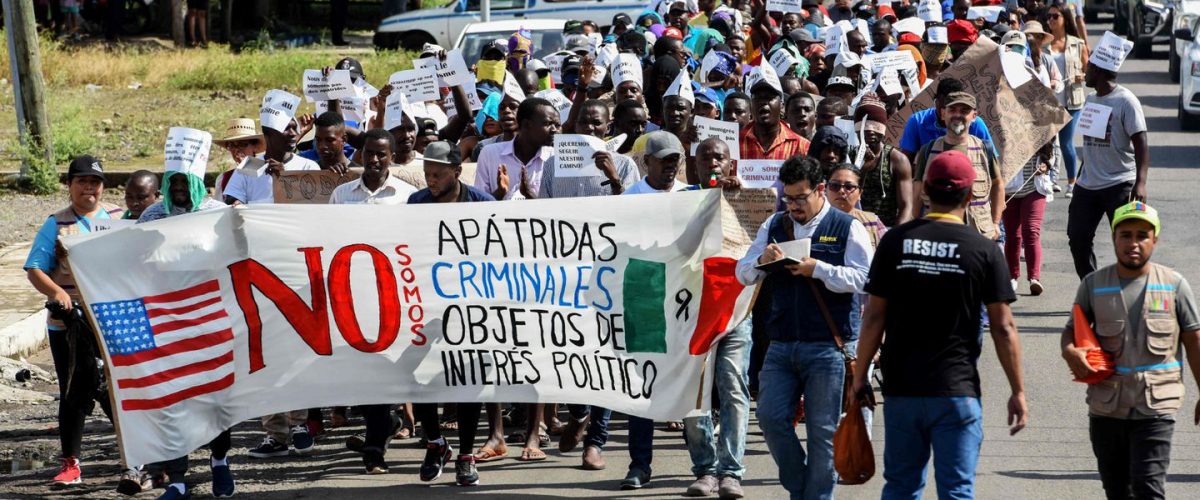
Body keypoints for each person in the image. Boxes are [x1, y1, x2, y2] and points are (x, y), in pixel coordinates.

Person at [852, 150, 1028, 499]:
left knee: (901, 487)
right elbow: (1003, 327)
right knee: (957, 490)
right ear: (971, 195)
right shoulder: (985, 250)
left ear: (926, 191)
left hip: (902, 390)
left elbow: (874, 315)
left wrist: (859, 378)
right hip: (956, 390)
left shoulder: (895, 241)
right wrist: (1018, 390)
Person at [736, 156, 873, 500]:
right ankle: (800, 487)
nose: (793, 206)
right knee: (769, 418)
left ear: (820, 191)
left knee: (823, 432)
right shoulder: (774, 224)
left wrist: (820, 270)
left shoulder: (847, 226)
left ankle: (813, 496)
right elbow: (742, 273)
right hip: (781, 344)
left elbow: (866, 278)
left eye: (800, 198)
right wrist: (761, 262)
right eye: (788, 198)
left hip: (828, 345)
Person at [1061, 201, 1200, 500]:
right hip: (1106, 408)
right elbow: (1071, 333)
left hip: (1156, 409)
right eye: (1125, 235)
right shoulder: (1093, 285)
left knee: (1148, 488)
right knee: (1117, 491)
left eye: (1141, 235)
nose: (1133, 243)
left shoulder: (1175, 286)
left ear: (1154, 240)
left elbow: (1193, 341)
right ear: (1114, 239)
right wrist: (1071, 352)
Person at [137, 144, 232, 500]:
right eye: (173, 180)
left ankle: (220, 461)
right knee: (173, 401)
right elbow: (136, 263)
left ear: (199, 182)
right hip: (167, 321)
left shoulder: (218, 214)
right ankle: (177, 478)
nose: (179, 186)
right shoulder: (151, 216)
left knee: (214, 401)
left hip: (211, 319)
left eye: (186, 180)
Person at [24, 156, 125, 488]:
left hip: (110, 319)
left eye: (94, 181)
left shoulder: (117, 218)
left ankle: (134, 455)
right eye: (81, 181)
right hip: (68, 324)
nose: (88, 187)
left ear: (103, 187)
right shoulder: (55, 223)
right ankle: (71, 463)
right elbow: (35, 268)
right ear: (69, 185)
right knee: (73, 390)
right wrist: (57, 292)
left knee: (118, 387)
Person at [405, 141, 495, 485]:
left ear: (457, 172)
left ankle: (467, 455)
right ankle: (436, 443)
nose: (431, 180)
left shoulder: (483, 204)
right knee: (421, 379)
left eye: (438, 175)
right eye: (427, 174)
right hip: (428, 307)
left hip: (473, 310)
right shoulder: (416, 203)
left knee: (468, 382)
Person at [682, 138, 753, 499]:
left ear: (731, 164)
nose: (713, 162)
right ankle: (705, 469)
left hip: (736, 311)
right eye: (705, 156)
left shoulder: (748, 200)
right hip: (693, 313)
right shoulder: (682, 200)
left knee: (733, 388)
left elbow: (760, 249)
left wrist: (741, 201)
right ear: (695, 165)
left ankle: (731, 472)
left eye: (720, 156)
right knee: (694, 393)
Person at [618, 131, 689, 491]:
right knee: (641, 388)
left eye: (676, 159)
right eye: (664, 160)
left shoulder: (693, 197)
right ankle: (639, 464)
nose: (671, 166)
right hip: (643, 299)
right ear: (647, 163)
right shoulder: (630, 199)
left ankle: (701, 460)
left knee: (689, 380)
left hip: (685, 301)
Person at [1068, 52, 1149, 279]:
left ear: (1099, 71)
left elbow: (1142, 145)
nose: (1085, 71)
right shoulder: (1091, 99)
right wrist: (1080, 179)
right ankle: (1093, 288)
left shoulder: (1126, 101)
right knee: (1078, 239)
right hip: (1087, 185)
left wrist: (1140, 184)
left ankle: (1131, 287)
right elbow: (1091, 145)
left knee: (1128, 243)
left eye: (1089, 67)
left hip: (1119, 183)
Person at [912, 92, 1004, 239]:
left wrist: (995, 222)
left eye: (964, 111)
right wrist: (914, 223)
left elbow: (998, 184)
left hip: (977, 235)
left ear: (974, 116)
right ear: (943, 114)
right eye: (952, 110)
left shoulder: (985, 149)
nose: (957, 115)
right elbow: (917, 190)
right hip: (936, 235)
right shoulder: (928, 150)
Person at [1044, 1, 1090, 198]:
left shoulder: (1076, 43)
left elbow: (1088, 68)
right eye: (1049, 16)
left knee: (1066, 143)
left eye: (1056, 16)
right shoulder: (1043, 44)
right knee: (1047, 142)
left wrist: (1082, 76)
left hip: (1072, 100)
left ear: (1065, 19)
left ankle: (1072, 181)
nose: (1051, 20)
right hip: (1049, 102)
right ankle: (1049, 180)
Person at [474, 98, 559, 200]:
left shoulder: (555, 158)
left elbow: (558, 210)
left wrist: (529, 194)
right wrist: (500, 192)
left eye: (556, 125)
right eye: (548, 124)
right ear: (526, 124)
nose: (554, 130)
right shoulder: (490, 154)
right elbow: (478, 206)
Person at [223, 117, 320, 205]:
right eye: (285, 128)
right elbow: (232, 198)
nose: (293, 133)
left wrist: (284, 178)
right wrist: (237, 203)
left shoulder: (308, 167)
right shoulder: (249, 165)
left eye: (295, 128)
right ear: (268, 134)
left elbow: (315, 206)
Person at [850, 95, 914, 226]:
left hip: (886, 229)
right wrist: (863, 170)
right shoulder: (848, 155)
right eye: (864, 125)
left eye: (876, 124)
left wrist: (894, 235)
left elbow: (906, 206)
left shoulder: (897, 159)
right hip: (854, 227)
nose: (870, 130)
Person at [897, 78, 996, 161]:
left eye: (953, 108)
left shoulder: (975, 124)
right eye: (945, 107)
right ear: (936, 102)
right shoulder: (917, 121)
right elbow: (905, 162)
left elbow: (991, 163)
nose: (951, 114)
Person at [328, 129, 417, 204]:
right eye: (369, 153)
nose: (374, 159)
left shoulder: (408, 194)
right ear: (361, 154)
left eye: (381, 154)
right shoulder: (340, 194)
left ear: (392, 158)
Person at [740, 66, 809, 161]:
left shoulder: (801, 146)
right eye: (758, 97)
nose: (763, 102)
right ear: (751, 105)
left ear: (782, 105)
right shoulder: (735, 143)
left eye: (769, 97)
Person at [827, 164, 887, 247]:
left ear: (859, 194)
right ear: (825, 189)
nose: (841, 191)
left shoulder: (872, 223)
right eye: (835, 185)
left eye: (849, 187)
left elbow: (889, 256)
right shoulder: (813, 221)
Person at [211, 118, 265, 200]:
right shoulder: (223, 178)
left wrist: (247, 166)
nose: (236, 150)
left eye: (242, 144)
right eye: (232, 146)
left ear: (255, 146)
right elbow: (220, 208)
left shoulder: (268, 171)